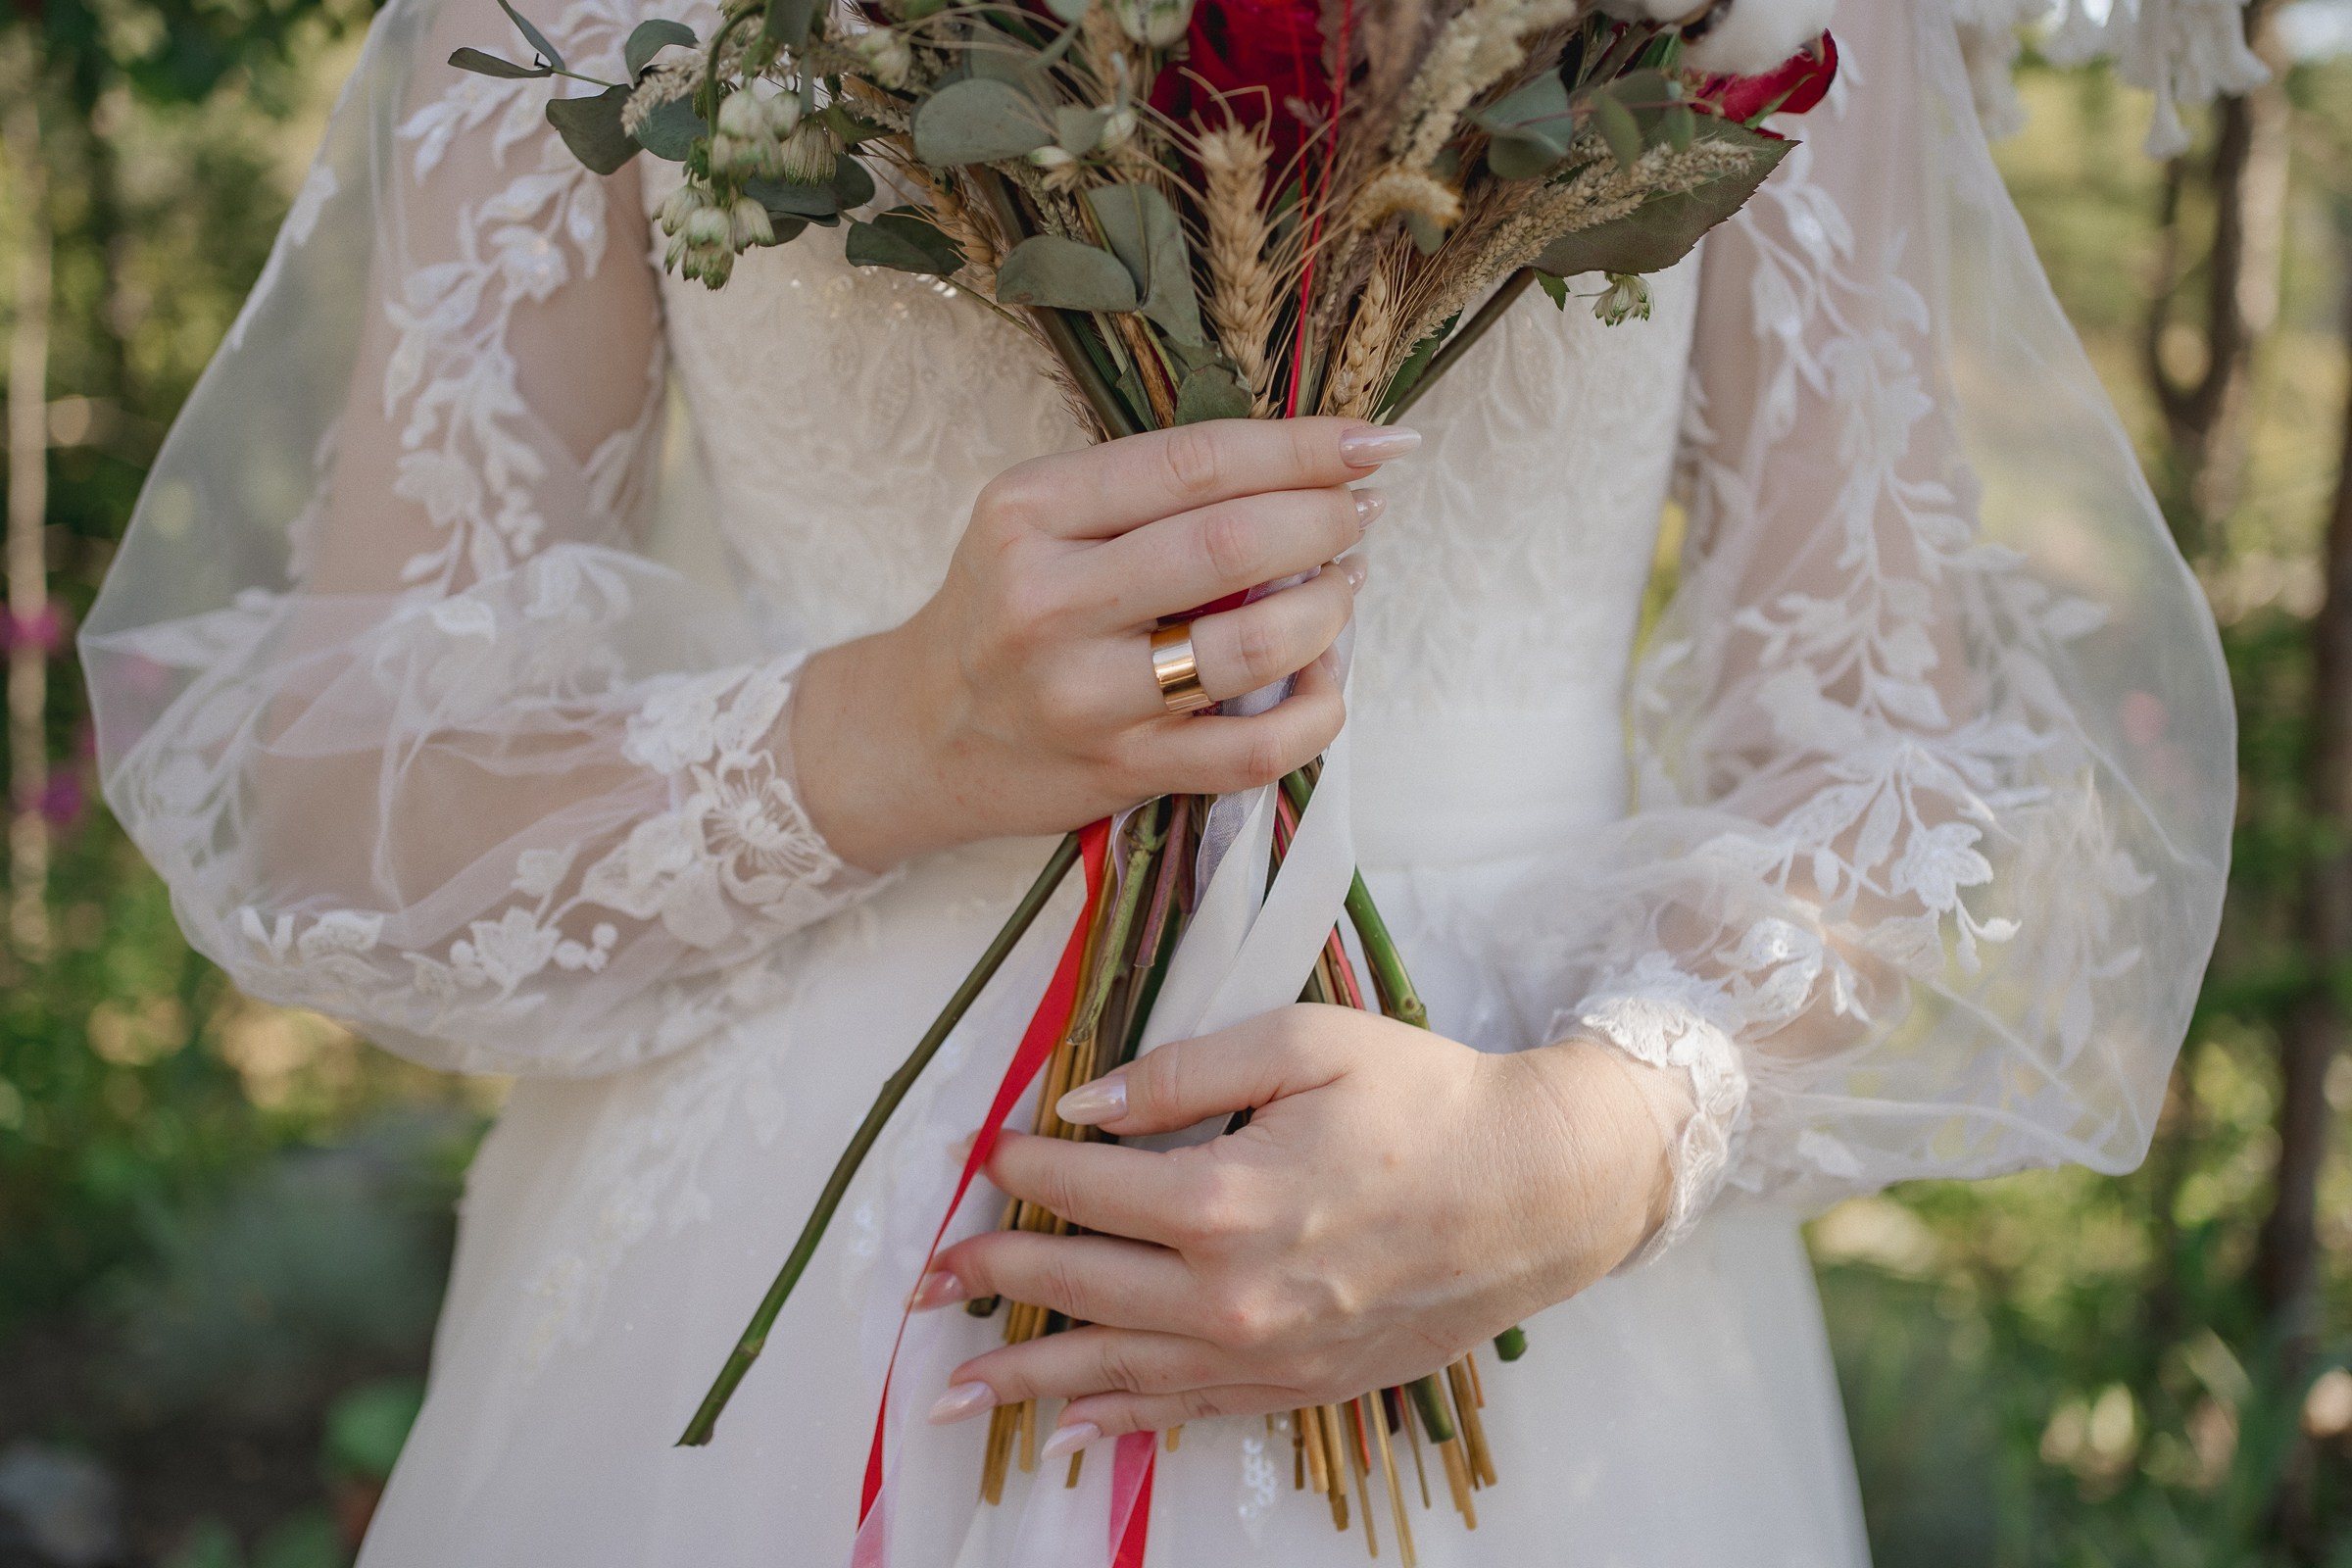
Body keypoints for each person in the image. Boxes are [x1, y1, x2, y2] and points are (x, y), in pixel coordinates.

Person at [79, 0, 2240, 1559]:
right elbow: (347, 784)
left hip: (1517, 1260)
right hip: (785, 1283)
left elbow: (1893, 760)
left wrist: (1580, 1148)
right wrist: (884, 728)